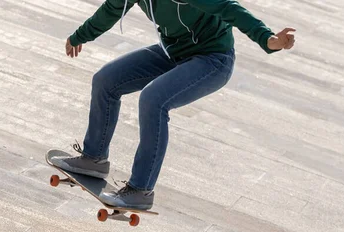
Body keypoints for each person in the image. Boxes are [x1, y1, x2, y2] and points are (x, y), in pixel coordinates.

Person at [51, 0, 295, 210]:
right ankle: (94, 158)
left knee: (153, 99)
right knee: (106, 80)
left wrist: (268, 39)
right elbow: (111, 10)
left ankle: (140, 190)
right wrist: (79, 36)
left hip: (212, 59)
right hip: (173, 52)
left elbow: (227, 7)